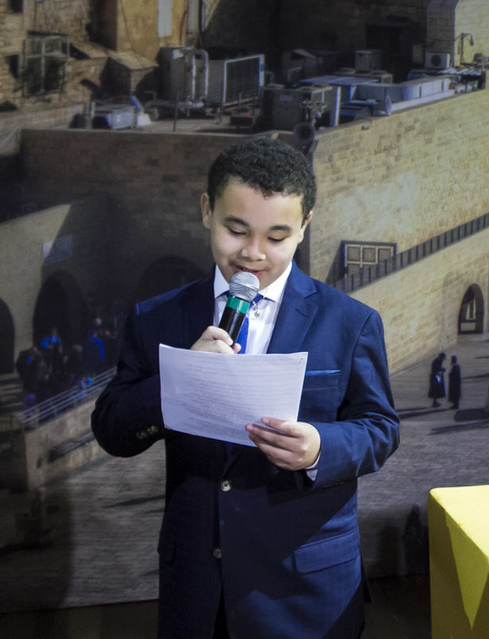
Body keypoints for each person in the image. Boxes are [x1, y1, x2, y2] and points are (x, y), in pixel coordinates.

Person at [91, 136, 399, 639]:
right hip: (197, 590)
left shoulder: (351, 322)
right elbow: (112, 429)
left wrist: (320, 447)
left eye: (276, 237)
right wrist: (179, 381)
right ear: (207, 211)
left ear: (305, 227)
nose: (253, 254)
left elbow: (380, 428)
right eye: (237, 230)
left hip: (307, 594)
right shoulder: (157, 318)